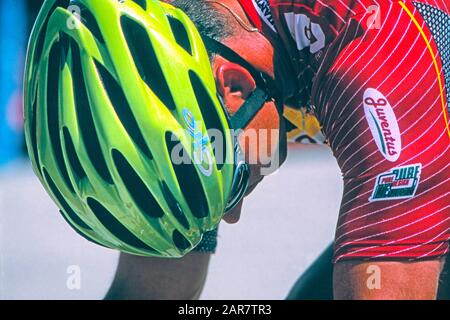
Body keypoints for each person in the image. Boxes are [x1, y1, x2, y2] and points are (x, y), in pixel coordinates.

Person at [24, 0, 450, 299]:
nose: (232, 216)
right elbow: (152, 291)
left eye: (230, 185)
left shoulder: (376, 45)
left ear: (234, 87)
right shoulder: (195, 44)